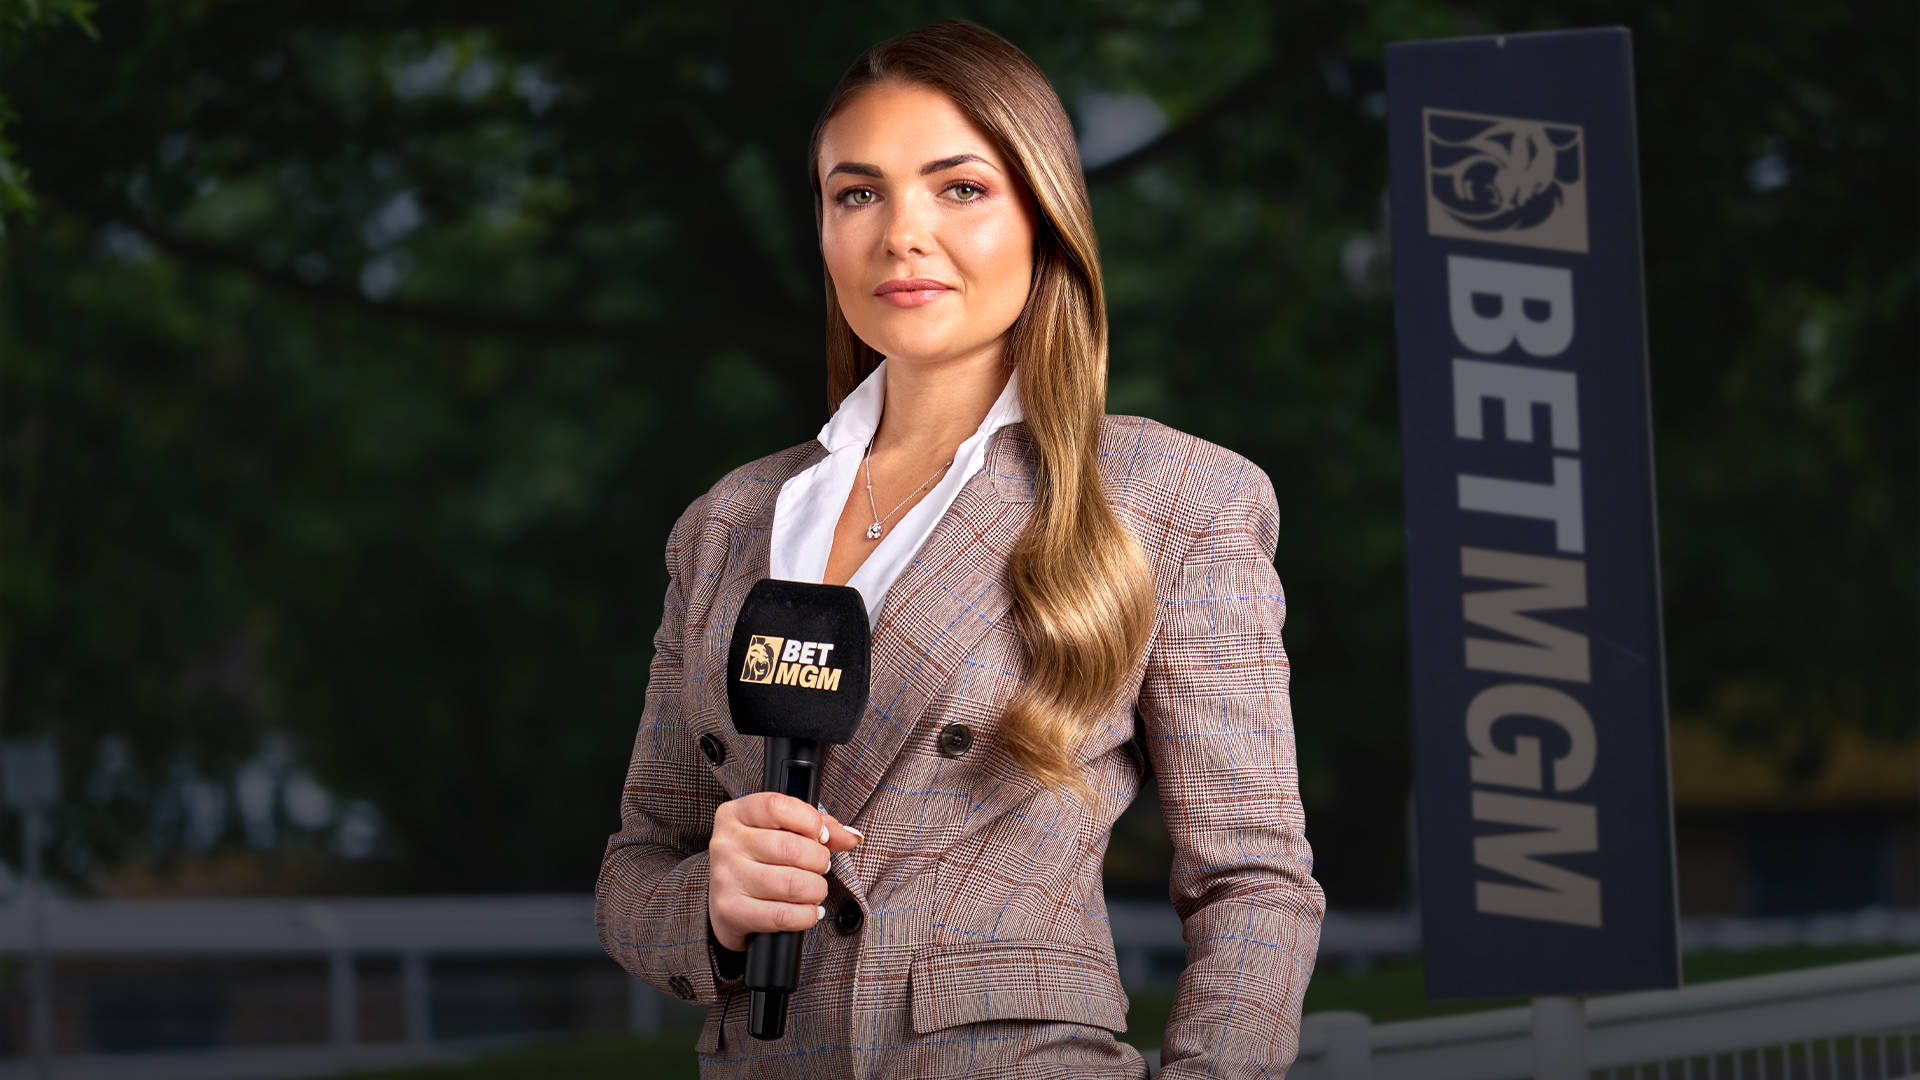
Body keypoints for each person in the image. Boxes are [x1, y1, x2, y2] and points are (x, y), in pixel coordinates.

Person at [595, 19, 1323, 1078]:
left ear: (1042, 211)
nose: (902, 234)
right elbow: (634, 868)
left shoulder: (1172, 501)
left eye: (960, 188)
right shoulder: (730, 521)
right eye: (858, 193)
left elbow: (1254, 884)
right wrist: (707, 901)